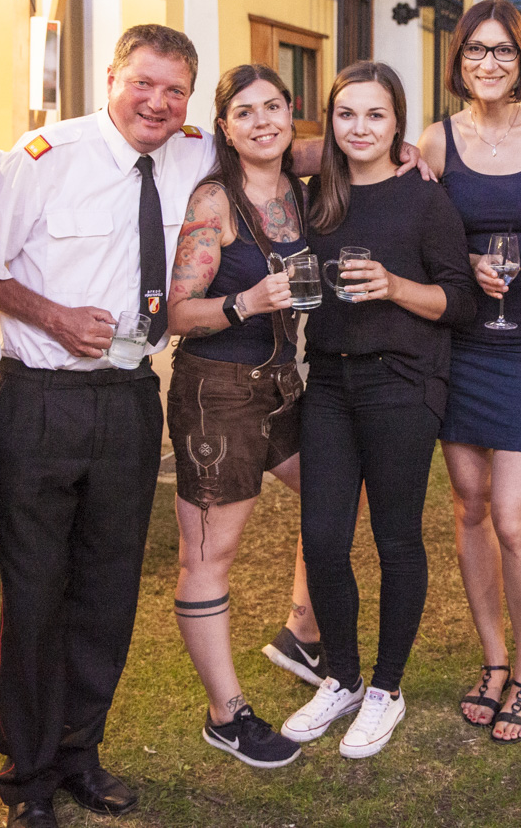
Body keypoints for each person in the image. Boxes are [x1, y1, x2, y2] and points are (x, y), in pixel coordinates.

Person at [0, 25, 216, 827]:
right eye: (142, 82)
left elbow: (276, 145)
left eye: (175, 90)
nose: (157, 102)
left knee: (108, 587)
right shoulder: (44, 156)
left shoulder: (192, 153)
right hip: (40, 398)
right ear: (111, 76)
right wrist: (52, 313)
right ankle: (28, 777)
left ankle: (80, 751)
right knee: (34, 591)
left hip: (128, 397)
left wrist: (409, 149)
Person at [280, 61, 476, 758]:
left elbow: (461, 300)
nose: (359, 127)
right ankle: (342, 676)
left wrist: (393, 286)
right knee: (323, 539)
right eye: (346, 114)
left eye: (375, 115)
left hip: (403, 380)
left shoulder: (424, 197)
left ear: (398, 124)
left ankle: (387, 689)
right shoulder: (318, 196)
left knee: (396, 539)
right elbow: (260, 150)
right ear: (331, 121)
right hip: (329, 383)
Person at [414, 0, 521, 742]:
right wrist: (465, 262)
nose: (489, 63)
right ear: (459, 61)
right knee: (469, 505)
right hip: (459, 340)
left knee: (514, 517)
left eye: (504, 51)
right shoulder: (434, 141)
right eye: (476, 50)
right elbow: (418, 239)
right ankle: (492, 660)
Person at [164, 63, 310, 769]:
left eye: (271, 107)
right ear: (224, 127)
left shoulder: (298, 190)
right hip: (216, 390)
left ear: (290, 112)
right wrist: (245, 302)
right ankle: (226, 715)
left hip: (281, 383)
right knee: (207, 556)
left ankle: (302, 632)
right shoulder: (214, 200)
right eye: (244, 112)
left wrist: (410, 149)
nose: (261, 122)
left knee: (339, 488)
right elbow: (177, 313)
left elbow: (338, 148)